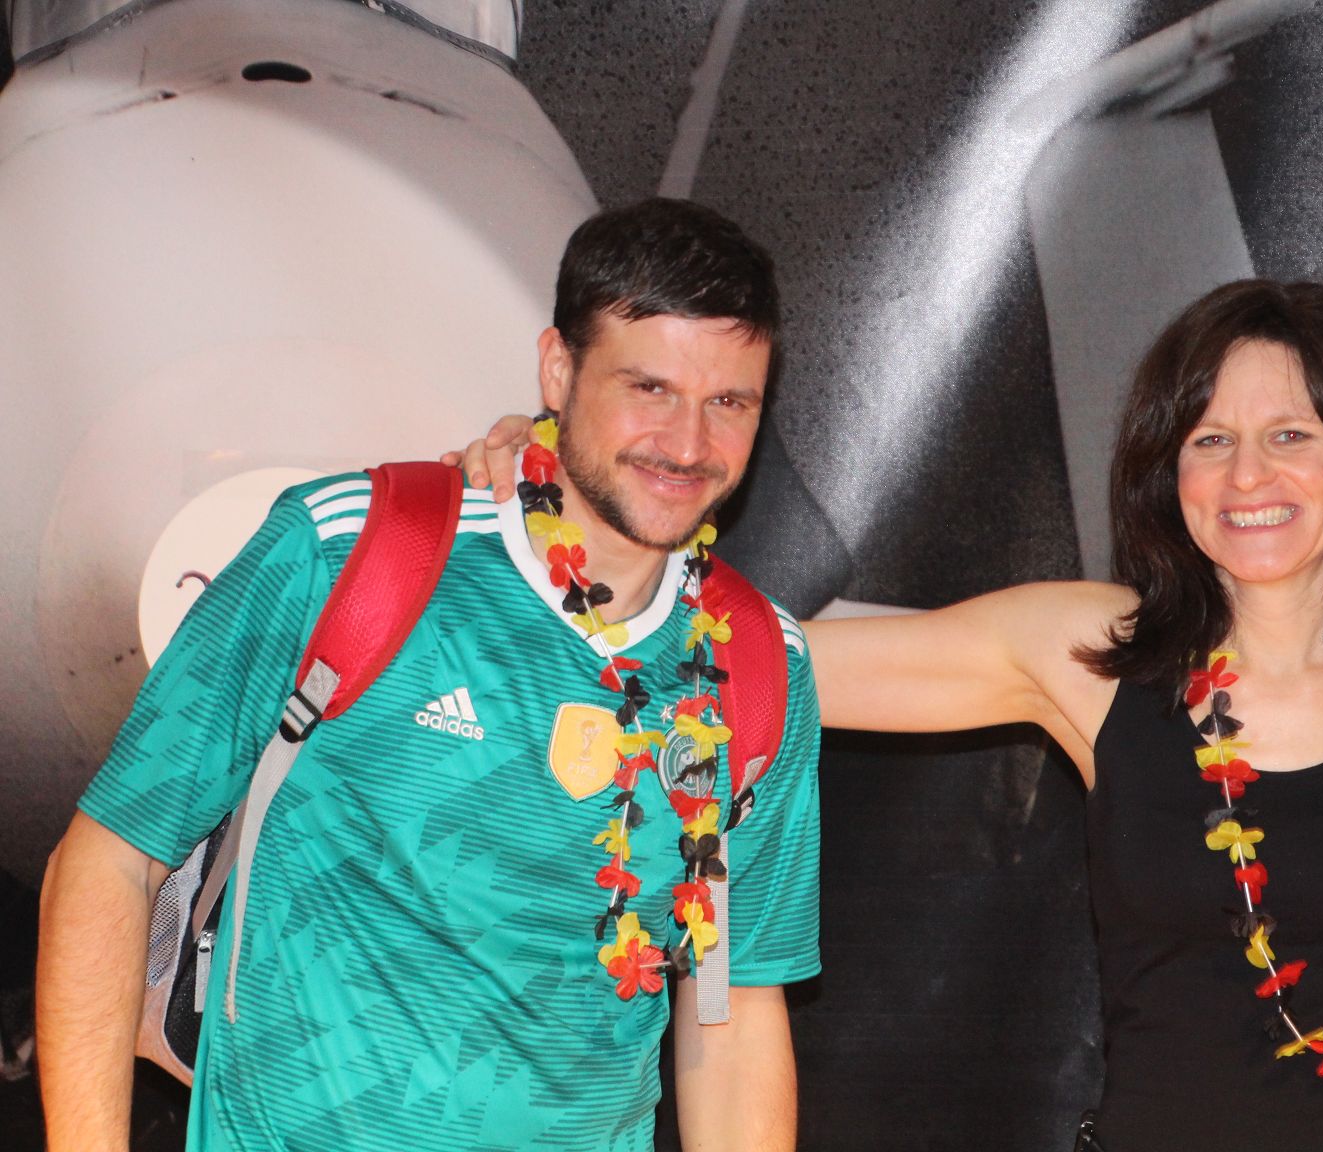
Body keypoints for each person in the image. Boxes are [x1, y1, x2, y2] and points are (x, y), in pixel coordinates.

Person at [459, 279, 1323, 1150]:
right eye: (1209, 440)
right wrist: (564, 492)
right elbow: (745, 662)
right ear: (1169, 474)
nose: (1247, 475)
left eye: (1290, 434)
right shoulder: (1089, 656)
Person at [36, 197, 820, 1152]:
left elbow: (732, 1011)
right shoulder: (352, 548)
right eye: (649, 387)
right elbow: (111, 859)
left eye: (729, 402)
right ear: (559, 369)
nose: (688, 444)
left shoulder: (759, 664)